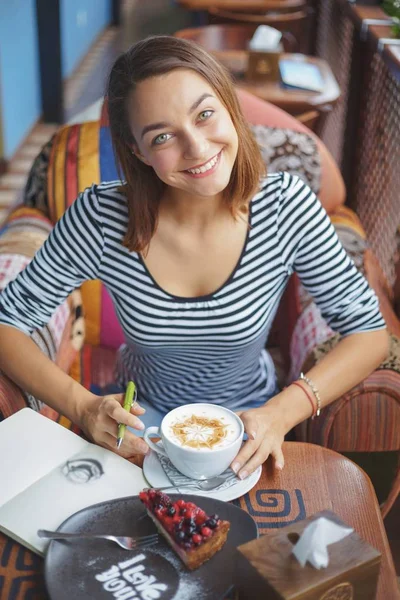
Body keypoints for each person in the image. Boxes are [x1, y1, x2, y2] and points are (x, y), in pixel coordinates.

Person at [0, 36, 388, 481]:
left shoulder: (286, 207)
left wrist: (283, 411)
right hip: (140, 431)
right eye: (162, 135)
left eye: (204, 114)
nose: (197, 148)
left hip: (254, 423)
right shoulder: (103, 217)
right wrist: (84, 407)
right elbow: (7, 322)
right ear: (137, 151)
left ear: (229, 107)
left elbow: (369, 332)